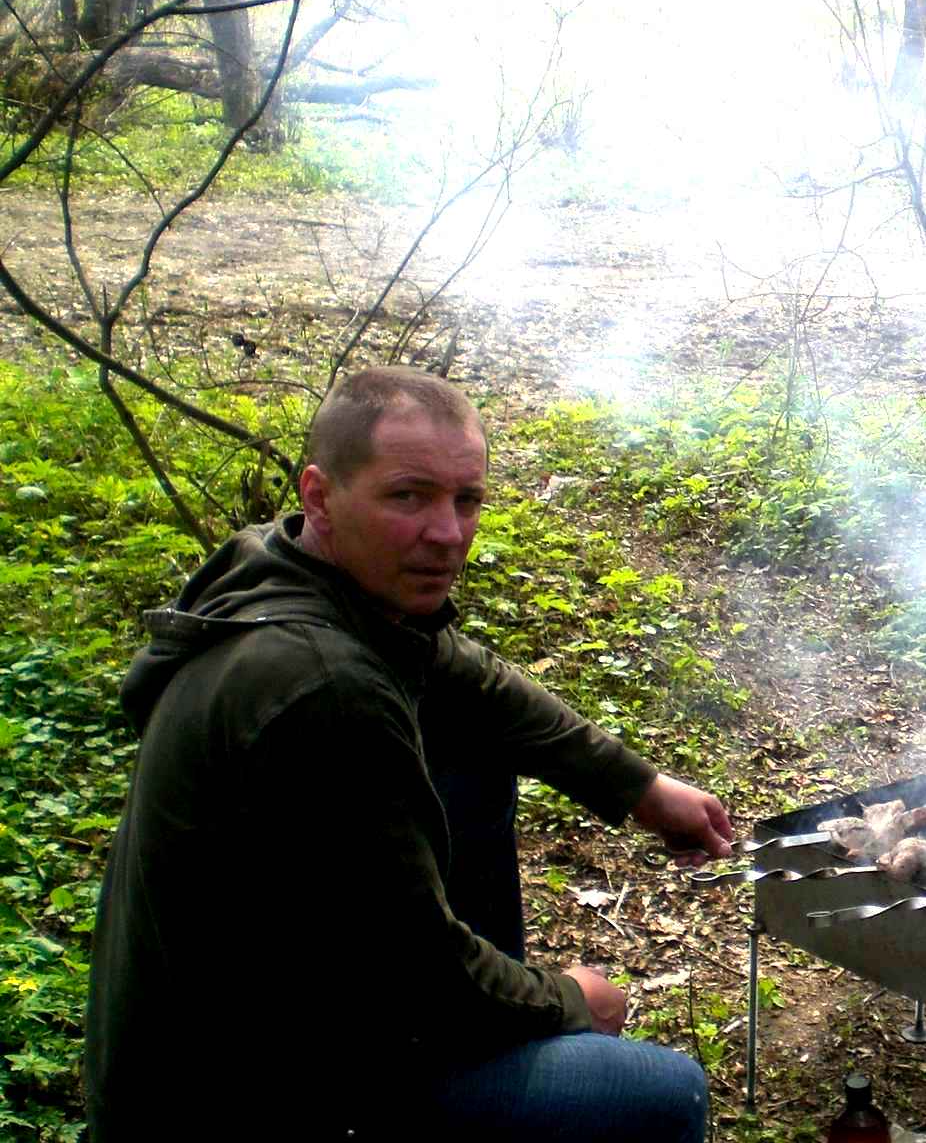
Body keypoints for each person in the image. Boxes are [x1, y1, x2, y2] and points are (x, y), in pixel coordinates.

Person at [84, 367, 734, 1141]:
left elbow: (466, 675)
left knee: (471, 746)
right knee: (657, 1094)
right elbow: (426, 976)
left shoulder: (286, 569)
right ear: (321, 494)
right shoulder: (323, 686)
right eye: (408, 497)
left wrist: (640, 788)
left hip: (252, 1016)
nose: (447, 533)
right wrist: (569, 1000)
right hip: (232, 1100)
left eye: (467, 500)